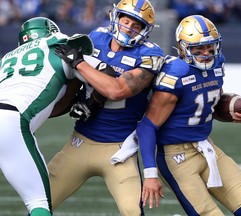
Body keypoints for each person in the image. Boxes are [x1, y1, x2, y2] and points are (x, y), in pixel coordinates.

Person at [129, 15, 241, 215]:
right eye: (198, 50)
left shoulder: (217, 64)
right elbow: (147, 126)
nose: (206, 54)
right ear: (183, 49)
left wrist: (240, 115)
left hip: (205, 146)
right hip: (176, 157)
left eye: (210, 47)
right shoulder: (176, 73)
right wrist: (150, 174)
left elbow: (206, 105)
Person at [49, 0, 164, 215]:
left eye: (136, 25)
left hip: (120, 150)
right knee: (41, 203)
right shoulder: (97, 37)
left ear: (145, 30)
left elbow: (117, 91)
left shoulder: (150, 55)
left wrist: (79, 62)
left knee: (132, 211)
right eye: (125, 20)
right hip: (80, 142)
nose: (129, 27)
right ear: (115, 17)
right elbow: (75, 79)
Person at [0, 17, 94, 216]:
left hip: (8, 112)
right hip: (10, 120)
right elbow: (99, 69)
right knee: (39, 203)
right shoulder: (58, 41)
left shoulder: (8, 57)